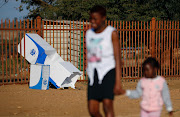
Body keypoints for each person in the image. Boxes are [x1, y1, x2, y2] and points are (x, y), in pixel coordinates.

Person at [86, 5, 124, 117]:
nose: (92, 21)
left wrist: (118, 82)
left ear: (103, 18)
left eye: (95, 19)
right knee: (92, 109)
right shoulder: (89, 34)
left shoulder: (111, 33)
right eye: (91, 19)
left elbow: (117, 58)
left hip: (108, 71)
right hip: (93, 74)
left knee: (107, 105)